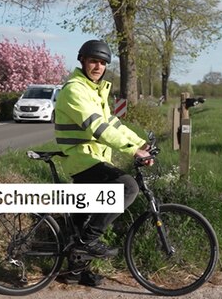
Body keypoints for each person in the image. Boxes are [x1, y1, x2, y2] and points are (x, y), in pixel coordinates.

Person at [54, 39, 153, 286]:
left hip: (92, 158)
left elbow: (113, 123)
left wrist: (141, 144)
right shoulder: (75, 89)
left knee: (82, 217)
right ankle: (90, 240)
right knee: (128, 187)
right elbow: (98, 128)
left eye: (102, 62)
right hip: (81, 159)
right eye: (93, 61)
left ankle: (74, 272)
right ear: (82, 61)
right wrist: (133, 152)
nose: (97, 66)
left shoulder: (95, 90)